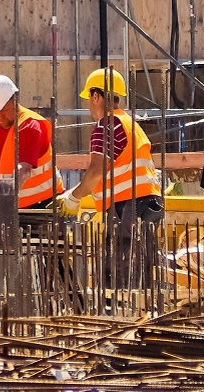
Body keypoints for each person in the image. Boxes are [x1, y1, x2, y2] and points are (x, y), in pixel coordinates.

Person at [58, 68, 163, 289]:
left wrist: (74, 197)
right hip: (147, 203)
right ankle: (140, 316)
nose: (89, 105)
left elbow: (97, 171)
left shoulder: (107, 124)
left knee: (119, 272)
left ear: (96, 96)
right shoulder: (129, 123)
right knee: (139, 269)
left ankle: (125, 318)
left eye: (89, 98)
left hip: (128, 205)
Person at [0, 74, 64, 208]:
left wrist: (6, 198)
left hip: (42, 206)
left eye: (4, 111)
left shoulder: (30, 125)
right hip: (7, 204)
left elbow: (24, 170)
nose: (0, 118)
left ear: (15, 100)